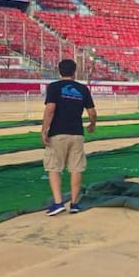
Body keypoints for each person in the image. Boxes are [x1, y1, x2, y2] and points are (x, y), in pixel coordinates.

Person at [41, 59, 97, 216]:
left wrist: (44, 129)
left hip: (58, 133)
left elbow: (50, 109)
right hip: (77, 133)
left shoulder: (54, 87)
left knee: (54, 168)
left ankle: (58, 203)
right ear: (75, 72)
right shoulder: (82, 89)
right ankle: (74, 203)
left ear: (59, 71)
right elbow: (92, 112)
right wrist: (92, 124)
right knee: (76, 168)